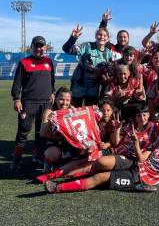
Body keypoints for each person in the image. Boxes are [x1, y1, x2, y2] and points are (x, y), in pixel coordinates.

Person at [44, 124, 159, 193]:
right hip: (134, 163)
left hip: (139, 178)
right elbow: (141, 160)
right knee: (99, 163)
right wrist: (136, 144)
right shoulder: (158, 147)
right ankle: (59, 175)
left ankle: (58, 187)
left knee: (100, 177)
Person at [11, 36, 55, 169]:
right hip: (28, 103)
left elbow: (52, 80)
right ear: (32, 46)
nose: (39, 48)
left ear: (45, 48)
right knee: (23, 131)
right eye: (36, 46)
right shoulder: (24, 62)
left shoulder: (49, 61)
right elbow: (17, 83)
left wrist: (52, 92)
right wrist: (17, 99)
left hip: (46, 103)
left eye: (41, 46)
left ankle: (38, 156)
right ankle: (17, 159)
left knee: (42, 132)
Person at [62, 24, 113, 107]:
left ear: (108, 38)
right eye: (99, 34)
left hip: (93, 88)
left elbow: (109, 71)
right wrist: (73, 38)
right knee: (74, 111)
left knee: (90, 113)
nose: (102, 37)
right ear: (96, 36)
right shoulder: (87, 46)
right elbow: (66, 49)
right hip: (79, 85)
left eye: (104, 35)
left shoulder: (109, 53)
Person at [40, 87, 73, 172]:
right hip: (52, 143)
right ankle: (48, 166)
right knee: (52, 154)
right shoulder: (49, 111)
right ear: (55, 99)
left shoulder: (72, 110)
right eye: (61, 99)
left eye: (67, 100)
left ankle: (73, 166)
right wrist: (50, 122)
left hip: (67, 142)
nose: (64, 103)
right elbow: (42, 133)